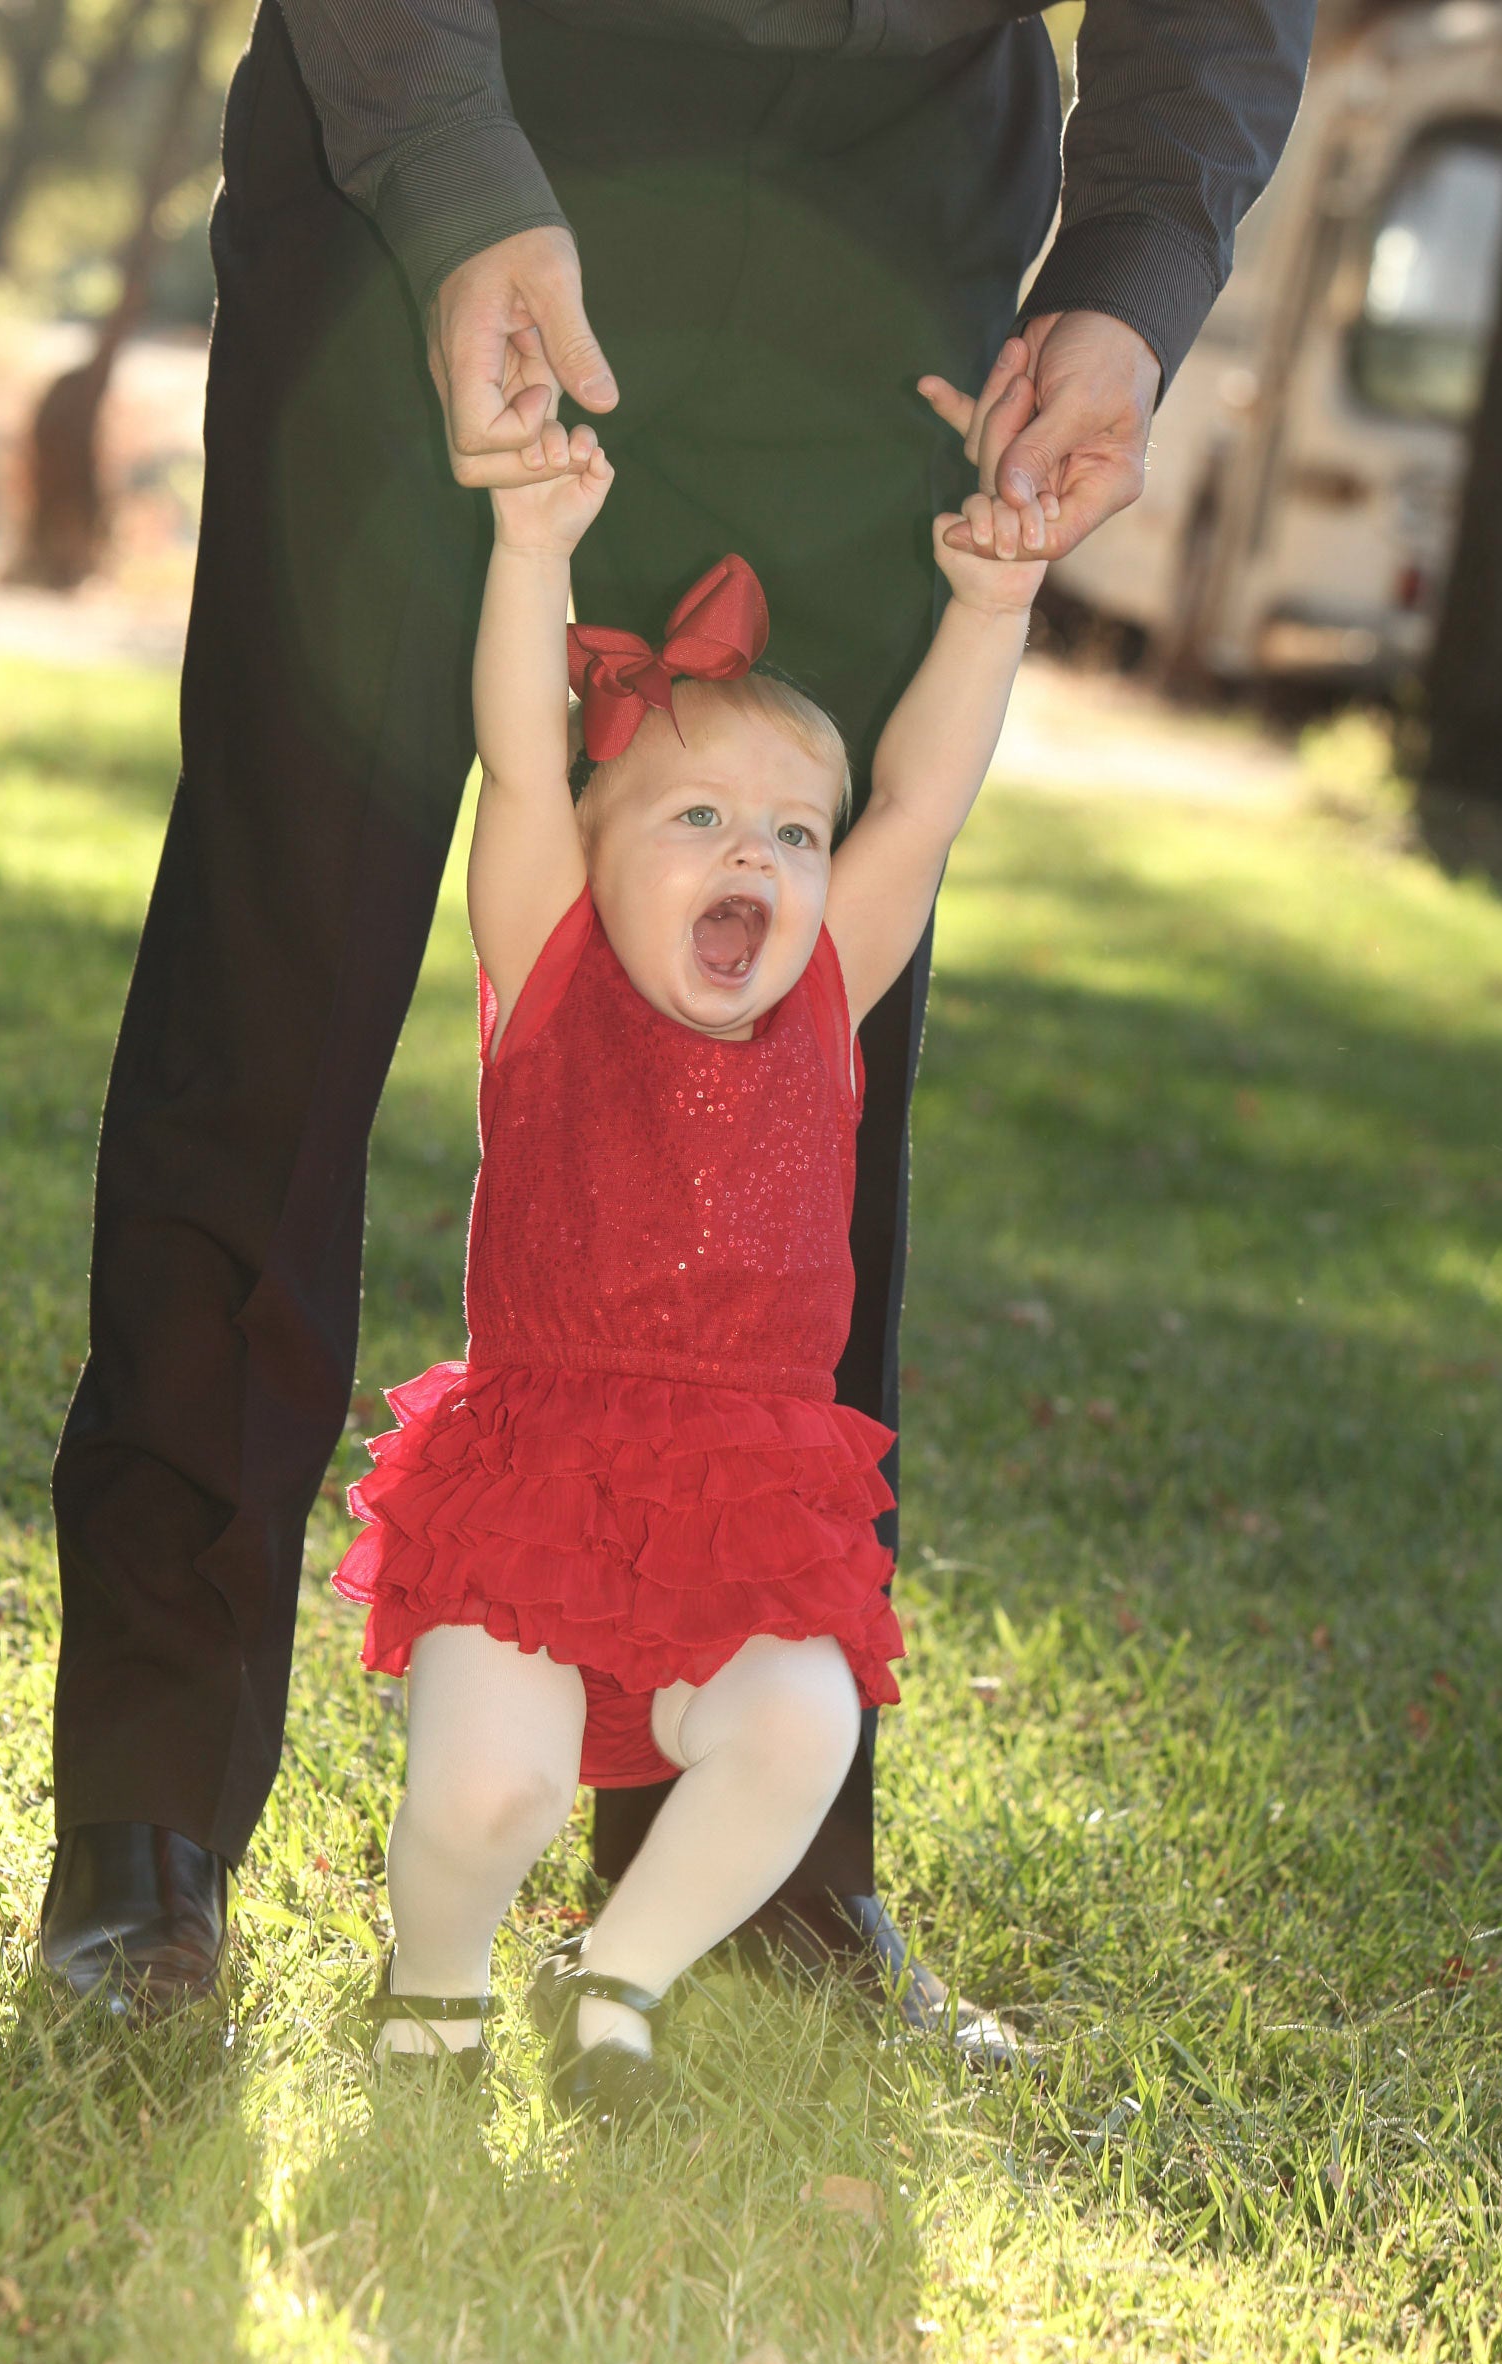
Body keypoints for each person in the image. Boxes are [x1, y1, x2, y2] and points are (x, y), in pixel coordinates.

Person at [39, 0, 1315, 2021]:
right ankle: (146, 1821)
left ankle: (761, 1866)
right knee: (270, 985)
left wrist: (1131, 276)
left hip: (882, 199)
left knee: (796, 1062)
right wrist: (454, 176)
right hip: (442, 125)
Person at [345, 411, 1044, 2113]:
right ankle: (431, 1986)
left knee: (805, 1722)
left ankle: (618, 1970)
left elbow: (927, 801)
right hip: (540, 1465)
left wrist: (992, 607)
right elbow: (521, 760)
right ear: (595, 858)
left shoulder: (822, 1005)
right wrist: (532, 552)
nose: (758, 856)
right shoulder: (557, 964)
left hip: (744, 1487)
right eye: (702, 819)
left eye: (794, 835)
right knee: (486, 1795)